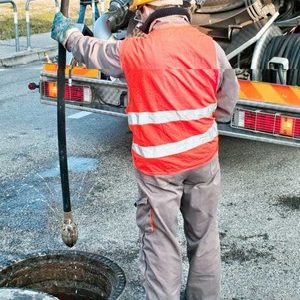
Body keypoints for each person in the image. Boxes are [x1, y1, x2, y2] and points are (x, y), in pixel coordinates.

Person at [51, 0, 239, 298]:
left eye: (139, 13)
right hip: (204, 161)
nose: (137, 20)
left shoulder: (136, 51)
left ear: (147, 9)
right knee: (205, 240)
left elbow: (93, 51)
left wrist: (67, 34)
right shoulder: (209, 47)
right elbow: (228, 100)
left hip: (159, 169)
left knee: (160, 244)